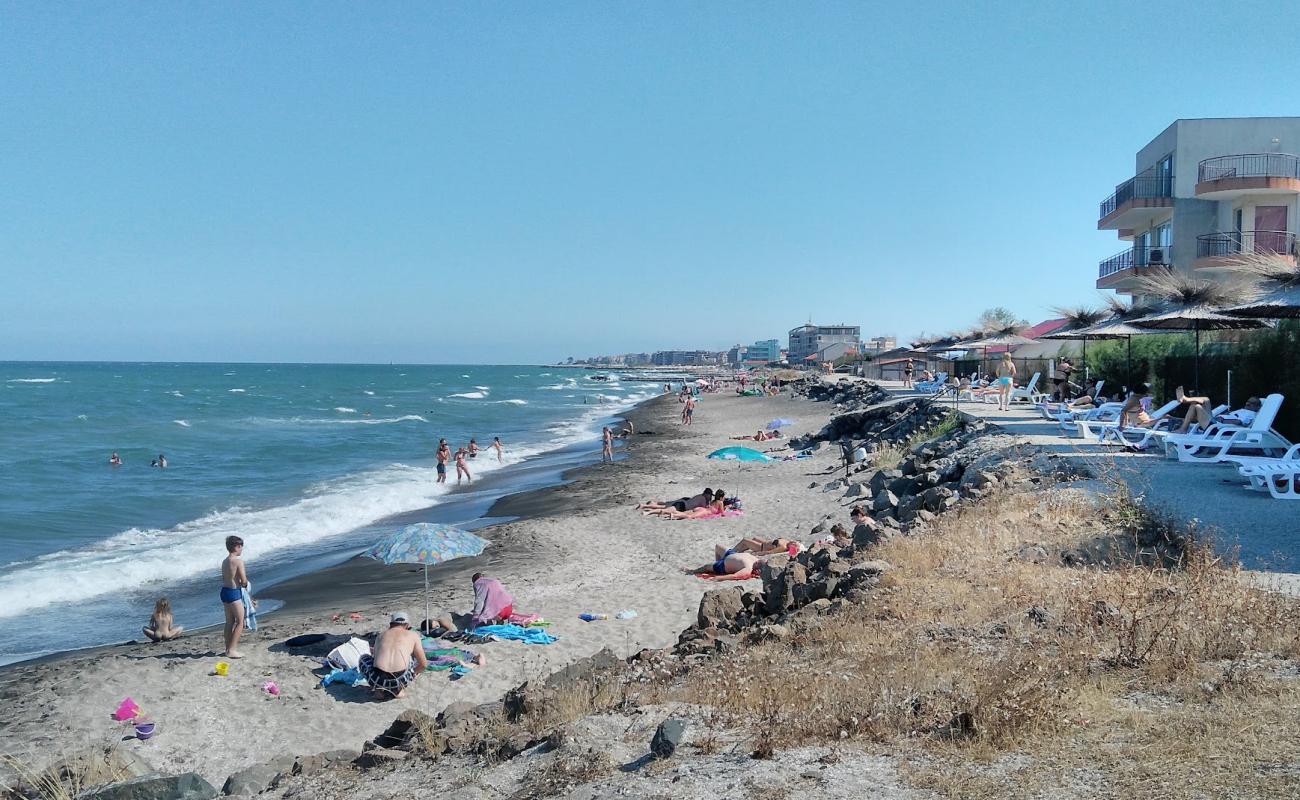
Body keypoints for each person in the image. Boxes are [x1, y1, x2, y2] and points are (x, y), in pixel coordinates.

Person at [358, 612, 428, 700]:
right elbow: (424, 664)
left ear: (391, 624)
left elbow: (375, 659)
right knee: (410, 658)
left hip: (377, 679)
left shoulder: (380, 635)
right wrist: (413, 673)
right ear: (407, 625)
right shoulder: (414, 635)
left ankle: (378, 691)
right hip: (400, 680)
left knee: (363, 658)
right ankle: (398, 691)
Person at [220, 536, 249, 658]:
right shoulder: (238, 561)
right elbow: (243, 580)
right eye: (241, 546)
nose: (242, 549)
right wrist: (246, 584)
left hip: (225, 591)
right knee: (240, 622)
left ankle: (227, 648)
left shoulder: (225, 561)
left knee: (229, 622)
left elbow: (225, 577)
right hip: (233, 593)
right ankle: (232, 650)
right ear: (237, 547)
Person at [645, 490, 726, 519]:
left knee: (682, 513)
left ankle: (672, 514)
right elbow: (722, 513)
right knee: (689, 516)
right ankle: (673, 515)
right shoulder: (720, 502)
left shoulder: (713, 501)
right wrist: (727, 507)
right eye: (724, 497)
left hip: (697, 507)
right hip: (703, 511)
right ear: (721, 497)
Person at [693, 550, 761, 580]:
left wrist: (720, 578)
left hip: (723, 565)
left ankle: (692, 571)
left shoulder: (748, 568)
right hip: (732, 554)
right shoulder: (756, 559)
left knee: (706, 567)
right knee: (718, 546)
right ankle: (716, 562)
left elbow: (735, 576)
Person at [637, 488, 713, 513]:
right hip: (683, 505)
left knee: (666, 505)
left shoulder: (700, 495)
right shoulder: (703, 499)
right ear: (707, 494)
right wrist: (708, 502)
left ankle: (649, 504)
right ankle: (645, 506)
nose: (710, 497)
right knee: (664, 508)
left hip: (684, 501)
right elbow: (705, 508)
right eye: (710, 495)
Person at [716, 537, 798, 559]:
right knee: (754, 539)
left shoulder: (783, 547)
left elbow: (770, 552)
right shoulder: (787, 541)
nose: (793, 542)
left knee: (745, 541)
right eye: (794, 542)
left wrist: (757, 553)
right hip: (764, 543)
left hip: (761, 548)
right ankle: (736, 552)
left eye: (794, 544)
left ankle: (731, 552)